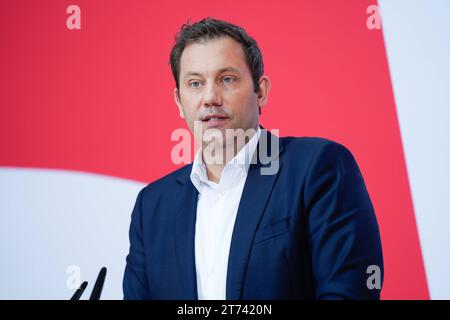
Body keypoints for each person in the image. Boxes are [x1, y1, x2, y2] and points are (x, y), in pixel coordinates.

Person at [123, 18, 383, 300]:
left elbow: (347, 293)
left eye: (227, 79)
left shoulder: (317, 167)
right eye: (195, 83)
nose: (210, 97)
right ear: (179, 101)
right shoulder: (151, 206)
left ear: (261, 91)